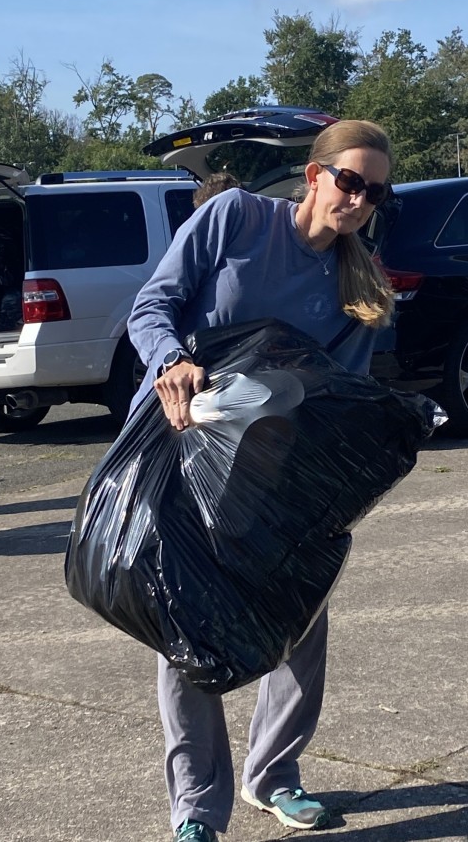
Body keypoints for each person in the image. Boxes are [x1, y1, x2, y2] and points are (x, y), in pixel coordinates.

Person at [127, 118, 394, 842]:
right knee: (184, 628)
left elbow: (341, 398)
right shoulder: (235, 216)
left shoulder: (360, 292)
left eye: (375, 191)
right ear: (314, 176)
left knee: (302, 617)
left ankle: (274, 773)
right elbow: (151, 307)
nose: (360, 200)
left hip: (271, 470)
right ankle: (196, 807)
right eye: (350, 181)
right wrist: (169, 361)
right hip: (180, 451)